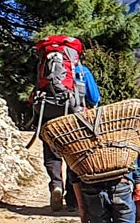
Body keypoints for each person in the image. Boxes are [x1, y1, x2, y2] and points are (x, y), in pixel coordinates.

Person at [31, 36, 101, 212]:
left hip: (47, 112)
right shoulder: (81, 71)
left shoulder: (43, 70)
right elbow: (94, 98)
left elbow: (33, 95)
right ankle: (72, 198)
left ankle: (56, 184)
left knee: (52, 153)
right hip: (74, 114)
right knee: (73, 154)